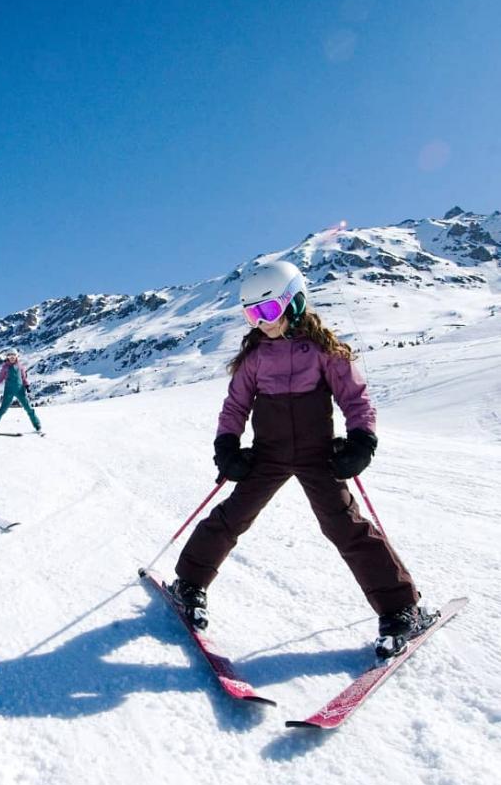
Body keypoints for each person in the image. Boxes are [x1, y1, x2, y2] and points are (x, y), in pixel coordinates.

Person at [170, 260, 434, 659]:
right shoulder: (255, 358)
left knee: (346, 526)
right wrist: (227, 446)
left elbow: (355, 399)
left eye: (268, 311)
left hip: (317, 455)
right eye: (252, 314)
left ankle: (401, 610)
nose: (261, 322)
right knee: (231, 517)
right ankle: (189, 583)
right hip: (268, 455)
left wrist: (361, 441)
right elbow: (235, 406)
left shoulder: (325, 351)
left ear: (294, 302)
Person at [0, 350, 43, 435]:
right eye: (10, 355)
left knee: (28, 408)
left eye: (13, 355)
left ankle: (37, 426)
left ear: (16, 356)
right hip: (9, 390)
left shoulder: (21, 367)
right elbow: (0, 379)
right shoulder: (5, 367)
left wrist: (27, 386)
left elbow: (24, 378)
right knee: (3, 409)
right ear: (7, 357)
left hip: (20, 390)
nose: (12, 357)